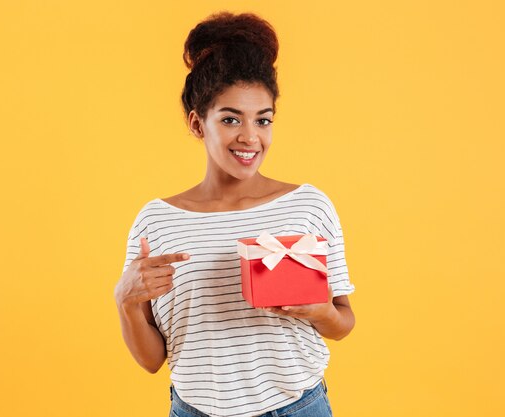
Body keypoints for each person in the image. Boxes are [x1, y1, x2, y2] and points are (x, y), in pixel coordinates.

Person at [114, 11, 356, 417]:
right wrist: (125, 299)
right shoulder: (157, 222)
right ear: (197, 124)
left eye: (263, 120)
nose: (250, 137)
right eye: (230, 119)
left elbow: (343, 322)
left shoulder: (308, 206)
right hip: (196, 409)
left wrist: (320, 311)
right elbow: (152, 360)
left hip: (298, 407)